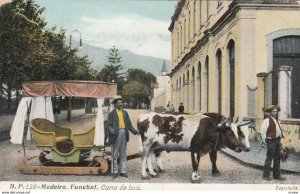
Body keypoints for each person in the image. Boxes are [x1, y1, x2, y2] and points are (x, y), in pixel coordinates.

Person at [108, 96, 139, 178]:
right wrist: (112, 130)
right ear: (115, 105)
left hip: (124, 134)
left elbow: (129, 124)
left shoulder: (125, 113)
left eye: (121, 102)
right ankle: (114, 171)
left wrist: (135, 131)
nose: (120, 104)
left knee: (123, 153)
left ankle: (123, 171)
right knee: (114, 154)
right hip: (115, 135)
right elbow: (109, 125)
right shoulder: (111, 114)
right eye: (118, 103)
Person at [260, 104, 286, 181]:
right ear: (270, 112)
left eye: (276, 111)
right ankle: (266, 175)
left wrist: (281, 140)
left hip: (278, 141)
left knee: (277, 158)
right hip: (271, 141)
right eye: (274, 111)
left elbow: (279, 131)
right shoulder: (266, 120)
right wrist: (264, 141)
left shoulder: (277, 120)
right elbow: (262, 131)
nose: (275, 113)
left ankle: (277, 175)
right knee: (269, 158)